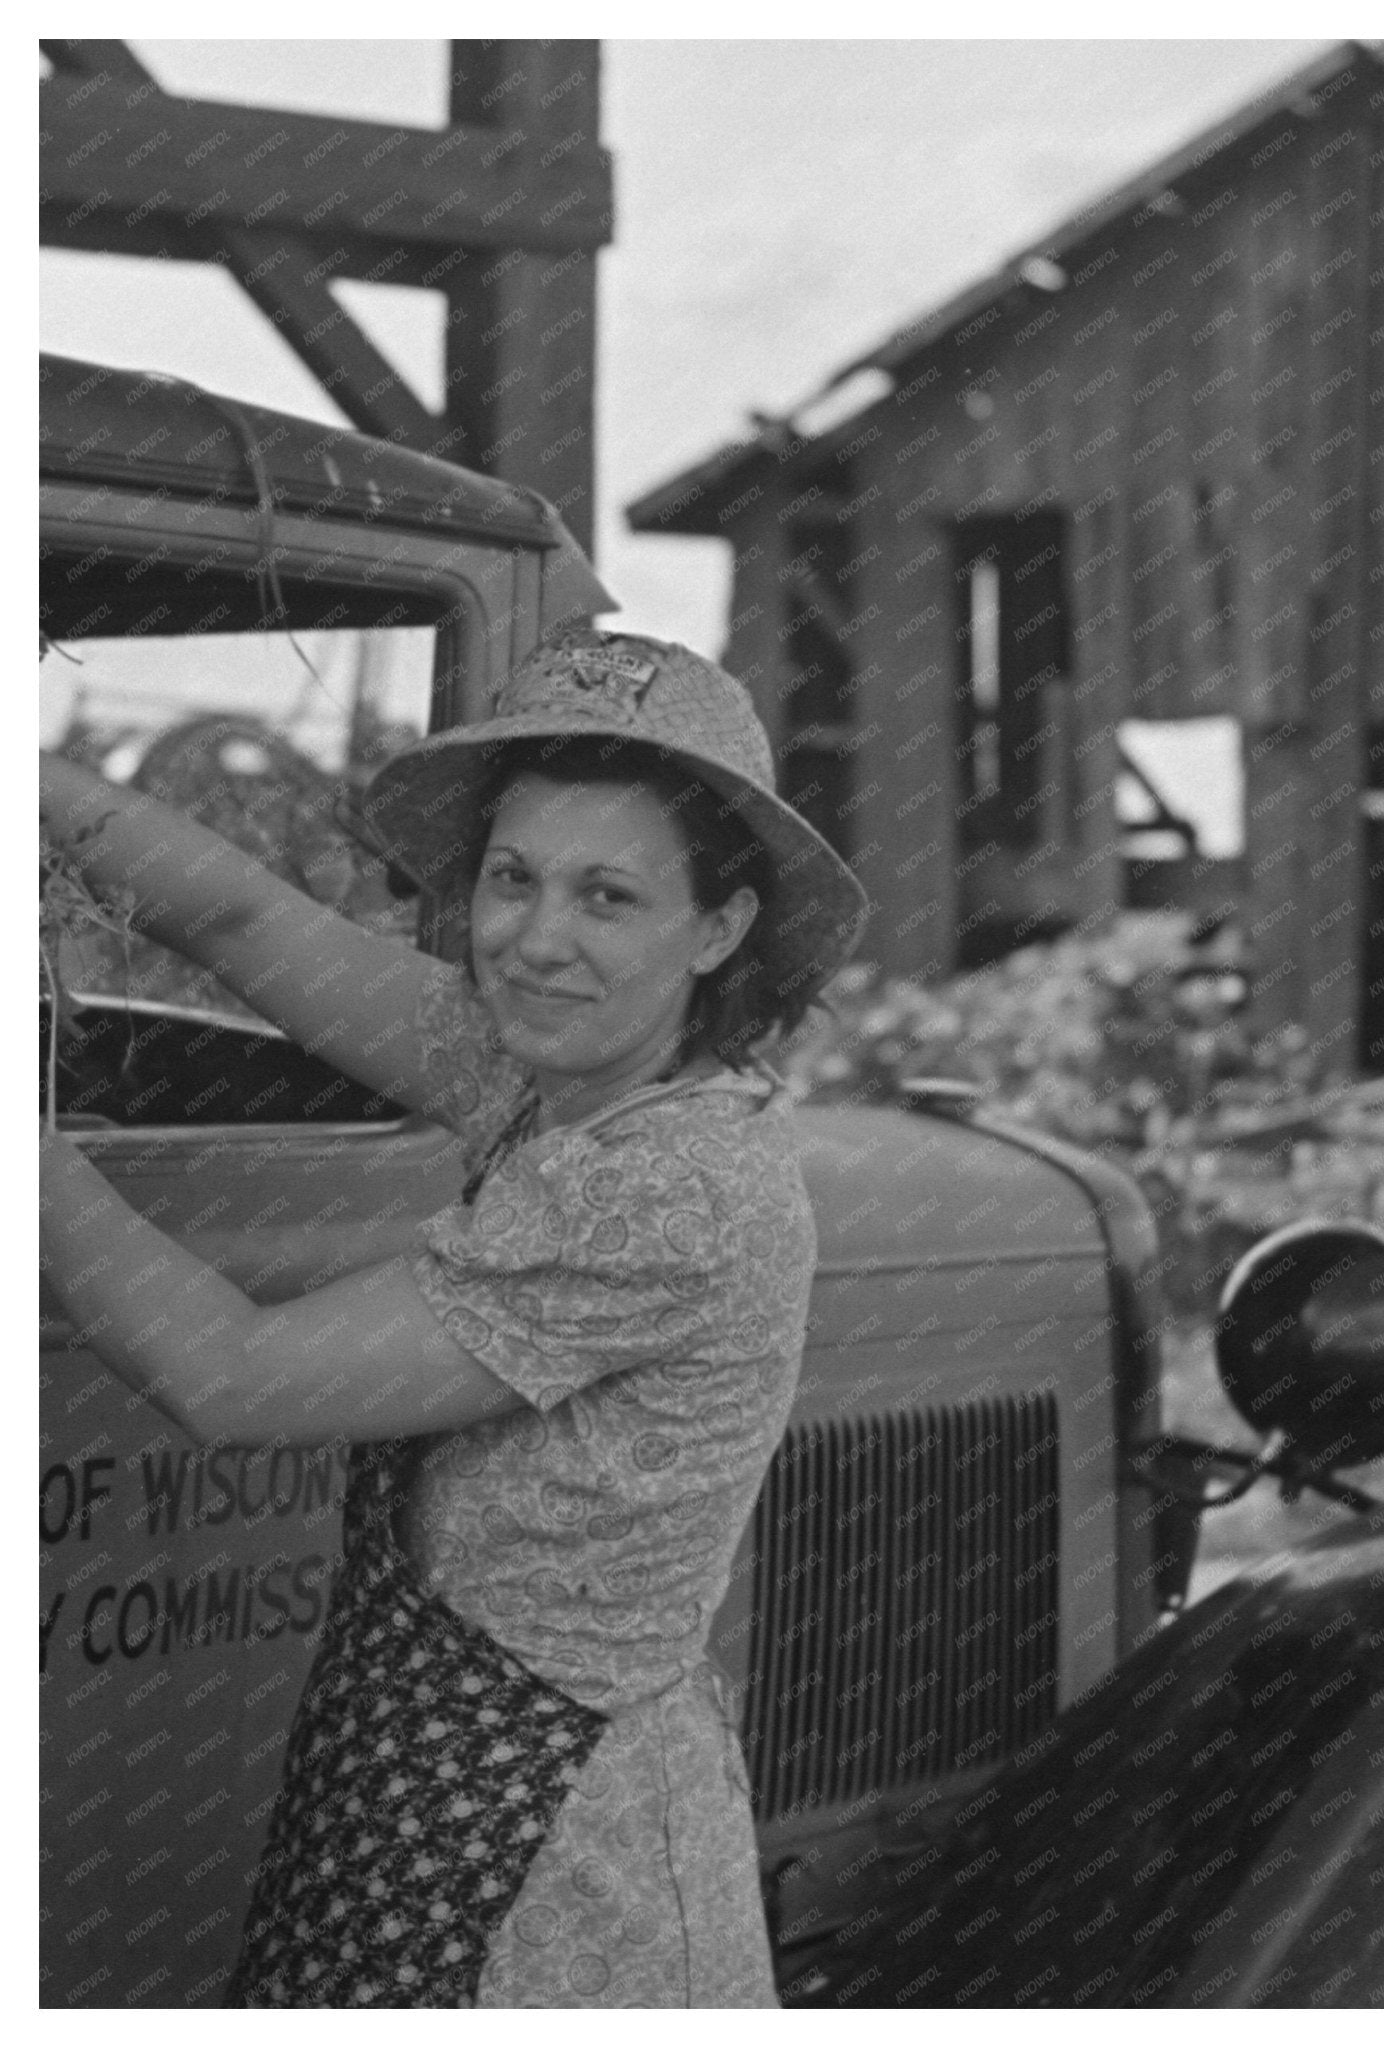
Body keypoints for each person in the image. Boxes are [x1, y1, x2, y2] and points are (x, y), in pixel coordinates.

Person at [38, 628, 868, 2007]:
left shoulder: (670, 1192)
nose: (539, 940)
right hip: (412, 1792)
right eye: (511, 879)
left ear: (716, 930)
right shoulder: (544, 1066)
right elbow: (242, 924)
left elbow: (228, 1375)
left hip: (547, 1867)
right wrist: (28, 784)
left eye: (609, 897)